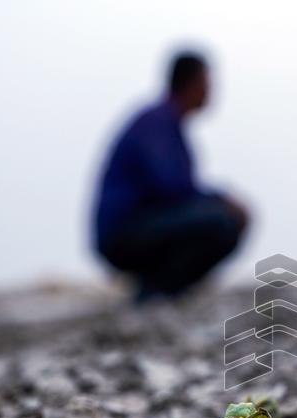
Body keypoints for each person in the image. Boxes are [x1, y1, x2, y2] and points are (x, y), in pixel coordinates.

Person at [93, 51, 249, 301]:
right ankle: (156, 293)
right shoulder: (157, 122)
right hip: (124, 231)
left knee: (221, 218)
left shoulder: (169, 124)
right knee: (221, 221)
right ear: (192, 83)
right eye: (207, 83)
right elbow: (170, 186)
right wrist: (221, 199)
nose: (211, 92)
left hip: (141, 226)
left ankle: (162, 290)